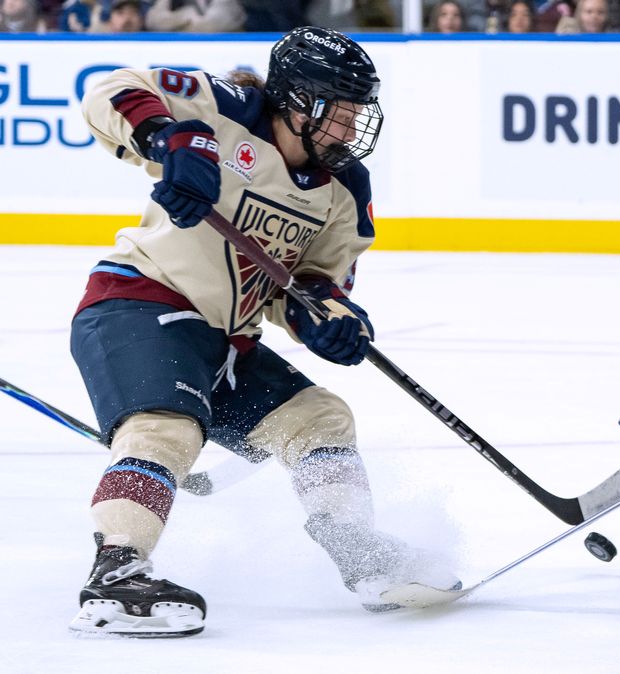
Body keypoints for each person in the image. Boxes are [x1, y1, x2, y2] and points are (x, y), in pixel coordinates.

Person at [69, 26, 459, 637]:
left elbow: (312, 282)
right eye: (340, 109)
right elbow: (111, 90)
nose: (353, 125)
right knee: (166, 428)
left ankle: (356, 548)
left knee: (320, 419)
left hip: (228, 341)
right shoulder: (226, 109)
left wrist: (328, 320)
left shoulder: (345, 188)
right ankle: (115, 576)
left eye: (359, 110)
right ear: (297, 102)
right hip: (139, 305)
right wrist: (168, 137)